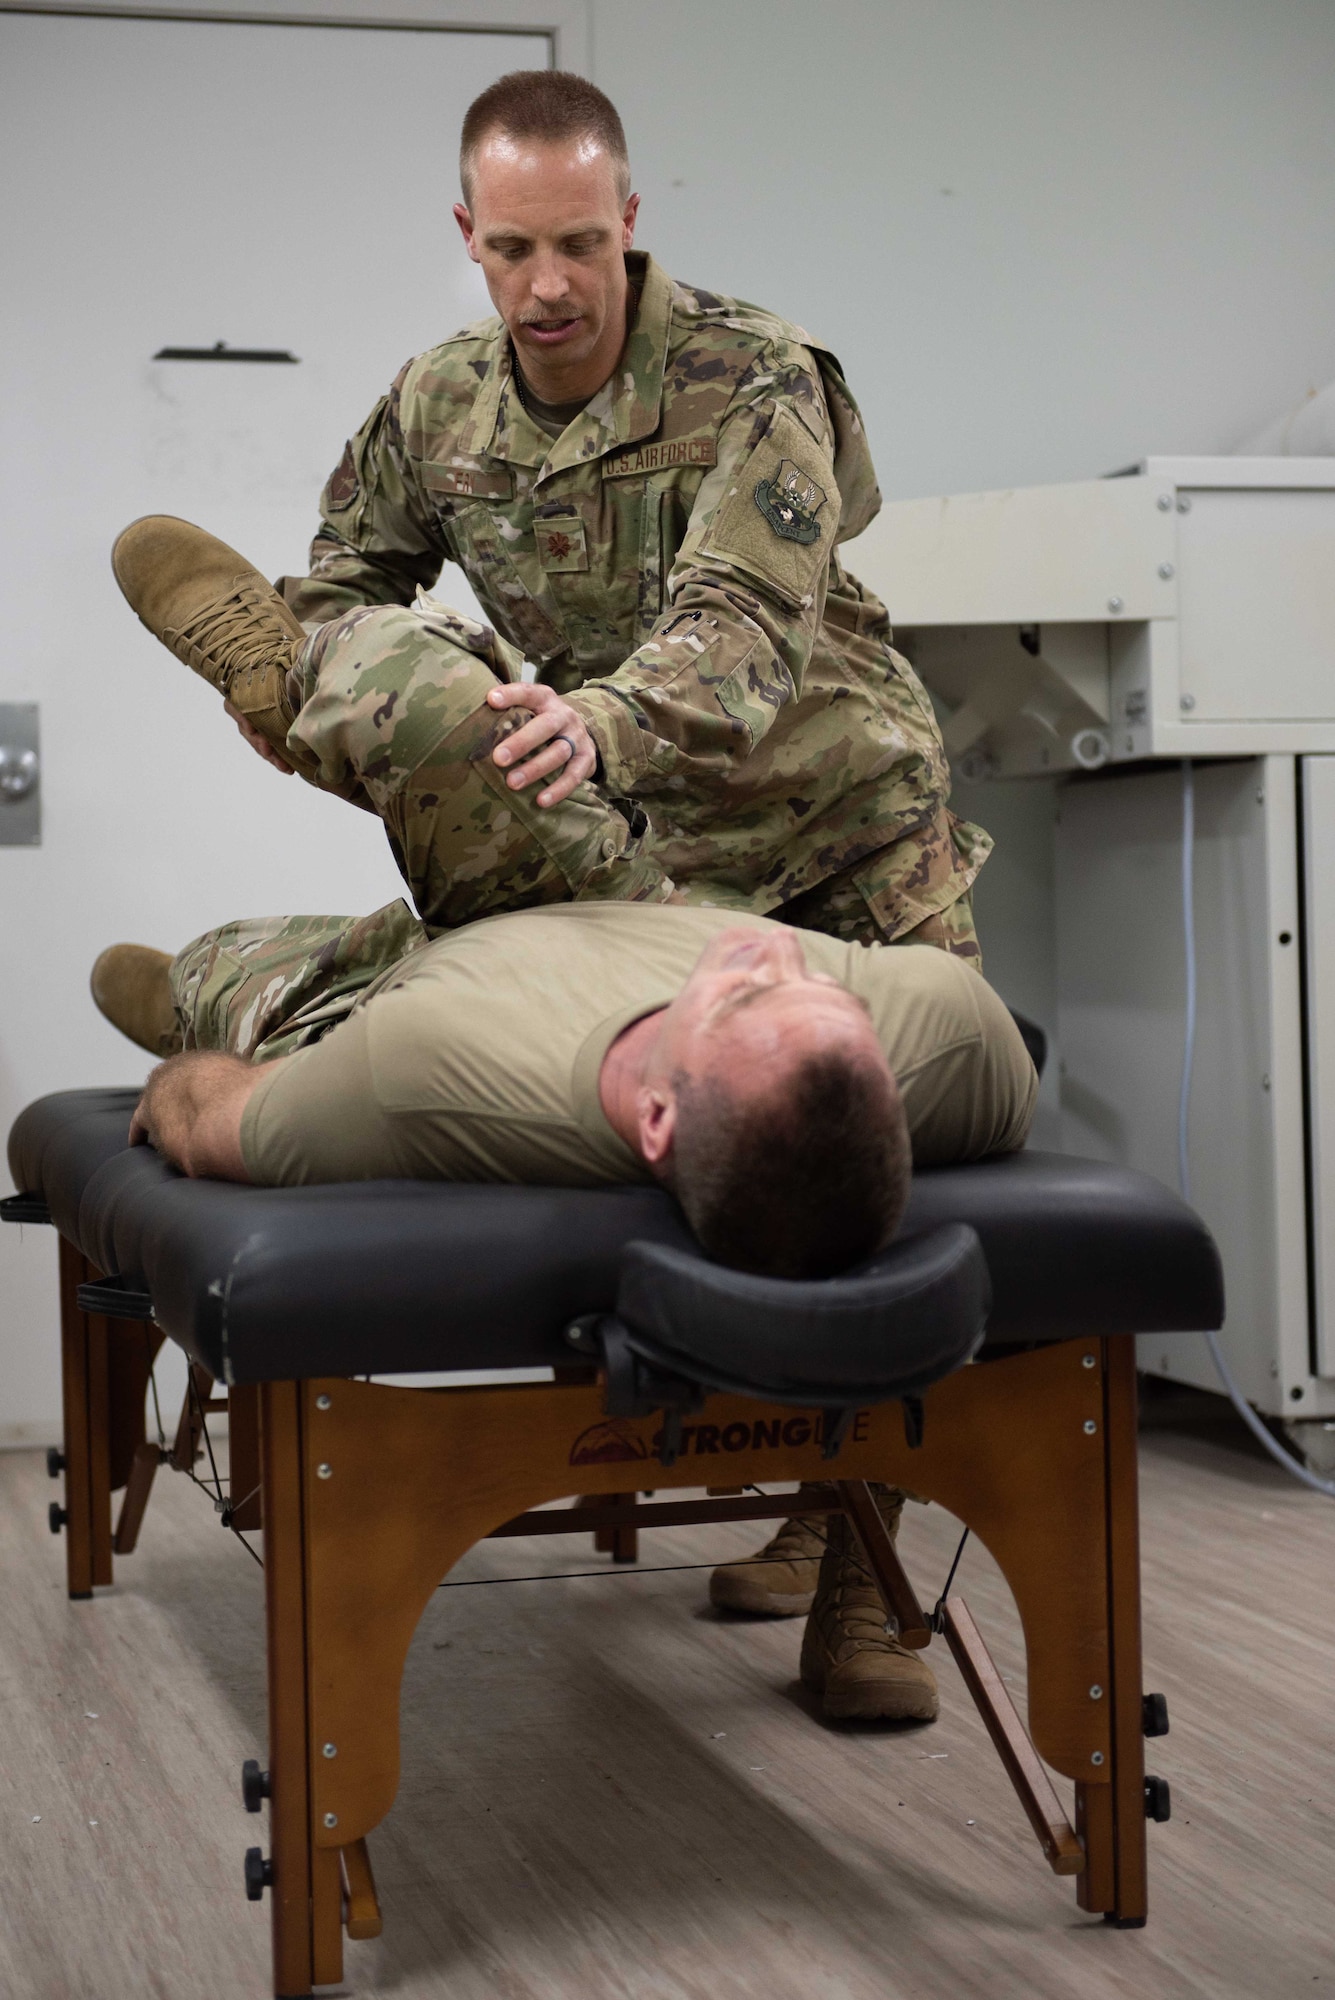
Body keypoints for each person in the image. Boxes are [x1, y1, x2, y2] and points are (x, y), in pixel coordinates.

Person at [106, 65, 999, 1718]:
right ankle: (271, 766)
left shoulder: (755, 377)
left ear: (632, 218)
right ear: (470, 235)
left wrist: (590, 719)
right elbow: (351, 575)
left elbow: (736, 634)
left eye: (582, 241)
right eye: (514, 250)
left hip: (829, 827)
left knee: (854, 1186)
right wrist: (318, 682)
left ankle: (856, 1573)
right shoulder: (440, 402)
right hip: (604, 808)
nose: (552, 285)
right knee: (407, 766)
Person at [102, 901, 1036, 1720]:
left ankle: (203, 985)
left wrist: (177, 1080)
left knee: (193, 985)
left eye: (747, 1001)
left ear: (659, 1121)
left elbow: (210, 1120)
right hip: (643, 864)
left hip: (410, 957)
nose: (769, 955)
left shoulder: (424, 1066)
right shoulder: (950, 1039)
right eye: (822, 984)